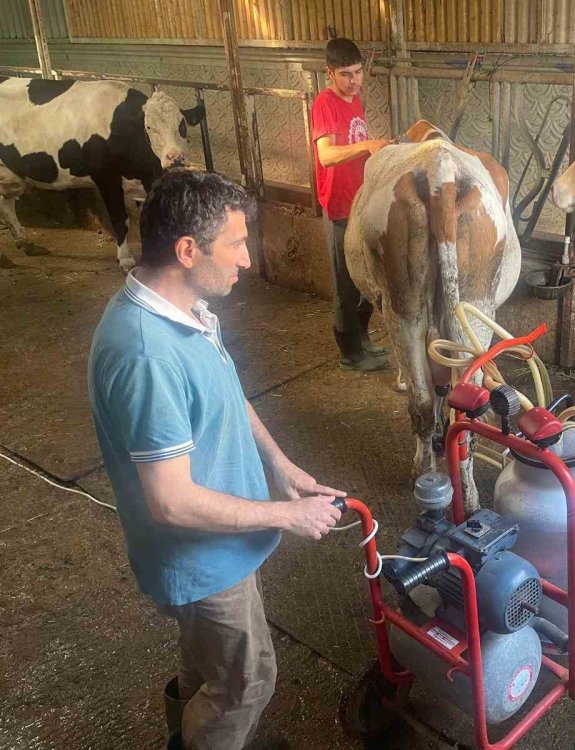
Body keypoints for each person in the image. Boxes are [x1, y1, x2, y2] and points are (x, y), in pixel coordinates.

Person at [87, 169, 346, 750]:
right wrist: (288, 516)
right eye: (235, 243)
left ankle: (187, 730)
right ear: (187, 250)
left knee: (207, 670)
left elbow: (226, 395)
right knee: (247, 683)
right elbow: (171, 502)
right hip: (202, 559)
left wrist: (282, 469)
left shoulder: (186, 311)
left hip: (221, 545)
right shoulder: (147, 352)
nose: (248, 260)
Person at [311, 36, 391, 372]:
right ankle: (349, 351)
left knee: (364, 278)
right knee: (345, 282)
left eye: (358, 72)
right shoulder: (324, 104)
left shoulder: (354, 101)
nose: (355, 80)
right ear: (329, 73)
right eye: (346, 74)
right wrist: (368, 146)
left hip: (359, 202)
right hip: (339, 205)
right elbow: (326, 155)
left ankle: (362, 337)